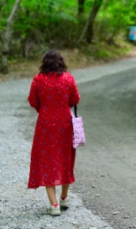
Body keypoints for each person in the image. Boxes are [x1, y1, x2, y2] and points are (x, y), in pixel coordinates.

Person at [27, 50, 81, 216]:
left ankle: (54, 204)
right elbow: (75, 99)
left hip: (45, 125)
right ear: (61, 62)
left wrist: (42, 110)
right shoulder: (68, 78)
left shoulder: (38, 79)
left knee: (48, 160)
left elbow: (32, 100)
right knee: (65, 159)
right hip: (65, 124)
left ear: (44, 62)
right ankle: (64, 198)